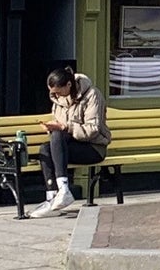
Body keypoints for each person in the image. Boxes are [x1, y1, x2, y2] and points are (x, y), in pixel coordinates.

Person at [35, 61, 109, 215]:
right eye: (52, 93)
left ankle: (63, 190)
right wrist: (53, 127)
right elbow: (61, 130)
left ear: (69, 85)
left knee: (57, 135)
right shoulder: (58, 100)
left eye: (58, 92)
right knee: (45, 149)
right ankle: (53, 198)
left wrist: (65, 127)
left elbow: (93, 130)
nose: (55, 96)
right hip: (70, 145)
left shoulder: (92, 95)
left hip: (93, 147)